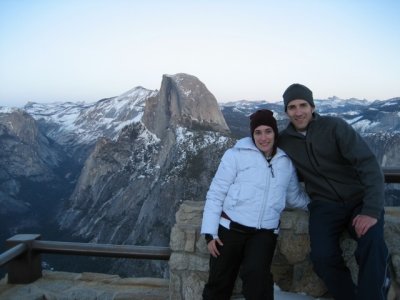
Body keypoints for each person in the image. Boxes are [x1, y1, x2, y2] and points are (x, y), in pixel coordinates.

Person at [278, 83, 391, 300]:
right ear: (286, 112)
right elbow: (263, 152)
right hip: (324, 205)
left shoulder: (335, 127)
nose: (298, 111)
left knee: (372, 244)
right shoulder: (285, 141)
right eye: (292, 107)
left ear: (312, 107)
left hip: (359, 200)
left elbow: (369, 166)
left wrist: (371, 210)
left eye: (303, 105)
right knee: (321, 256)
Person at [201, 109, 309, 300]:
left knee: (257, 281)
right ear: (252, 135)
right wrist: (210, 233)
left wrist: (316, 204)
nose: (263, 137)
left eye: (268, 131)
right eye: (258, 132)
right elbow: (216, 193)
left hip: (264, 233)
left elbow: (293, 197)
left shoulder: (285, 162)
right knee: (219, 281)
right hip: (230, 230)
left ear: (275, 133)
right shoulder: (235, 155)